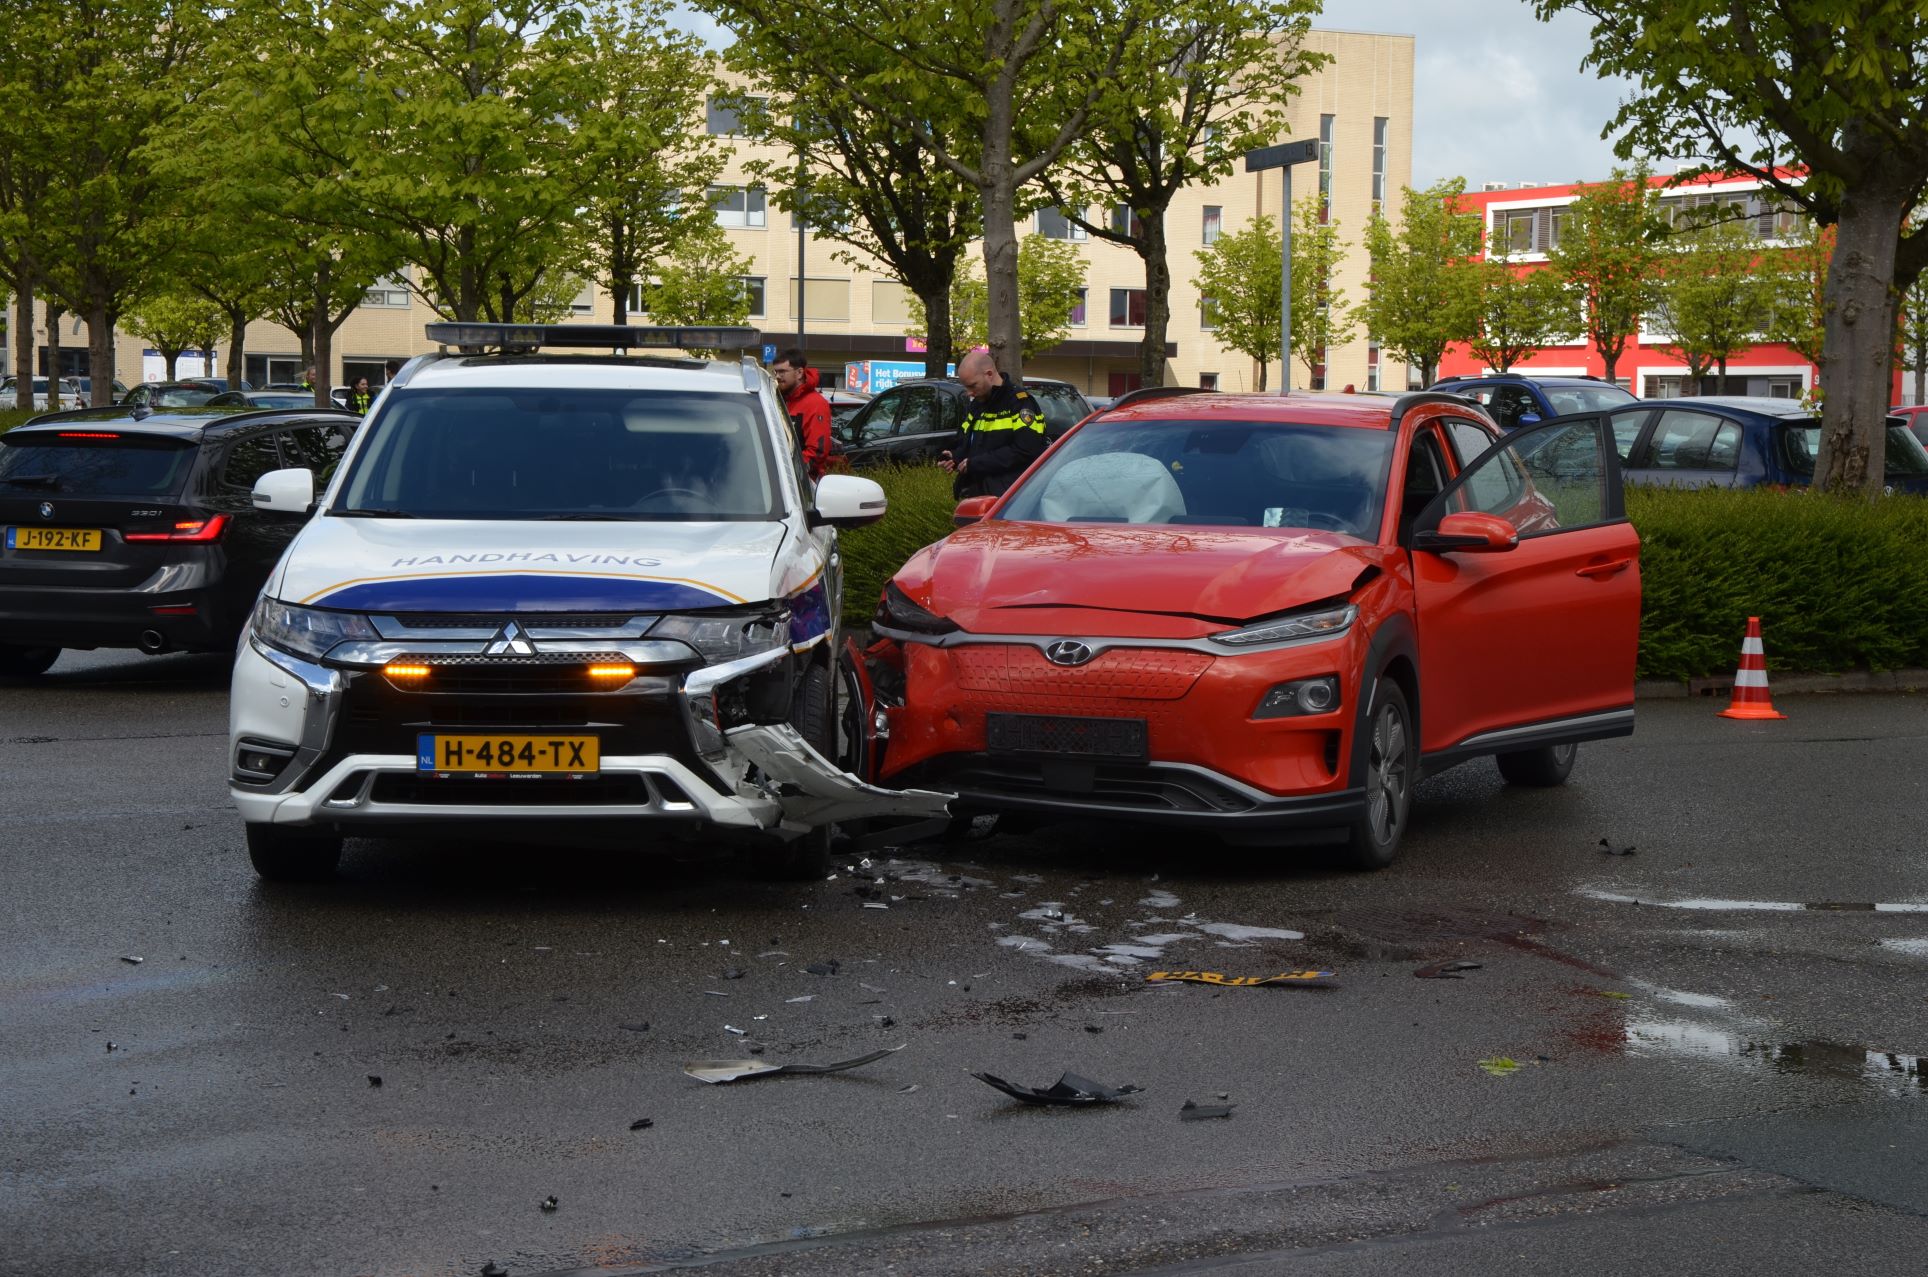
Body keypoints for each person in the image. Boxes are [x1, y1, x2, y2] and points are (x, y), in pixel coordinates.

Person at [940, 350, 1045, 499]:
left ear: (989, 374)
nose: (969, 393)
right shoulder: (978, 404)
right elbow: (968, 443)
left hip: (1008, 499)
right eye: (966, 387)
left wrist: (975, 463)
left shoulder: (1020, 402)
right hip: (976, 496)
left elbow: (1026, 450)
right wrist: (954, 456)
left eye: (972, 386)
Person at [770, 348, 832, 481]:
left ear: (799, 373)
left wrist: (789, 472)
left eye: (782, 371)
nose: (778, 376)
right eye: (776, 371)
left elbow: (817, 453)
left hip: (802, 484)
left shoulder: (815, 404)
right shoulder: (781, 399)